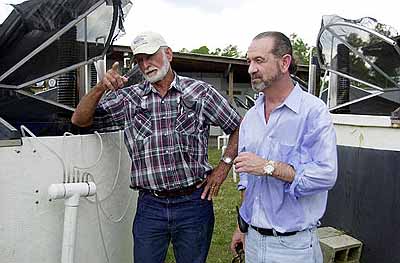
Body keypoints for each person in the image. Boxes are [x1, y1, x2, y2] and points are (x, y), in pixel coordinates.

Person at [71, 31, 241, 263]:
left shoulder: (200, 93)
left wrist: (223, 168)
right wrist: (100, 88)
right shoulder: (128, 99)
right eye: (140, 60)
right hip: (150, 205)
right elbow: (80, 121)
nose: (145, 64)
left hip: (193, 203)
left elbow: (239, 127)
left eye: (150, 56)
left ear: (168, 54)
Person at [230, 31, 337, 263]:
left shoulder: (313, 112)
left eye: (259, 60)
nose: (250, 69)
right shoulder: (251, 117)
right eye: (249, 61)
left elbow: (325, 176)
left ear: (284, 62)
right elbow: (246, 180)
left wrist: (269, 167)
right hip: (254, 242)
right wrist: (243, 226)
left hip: (293, 247)